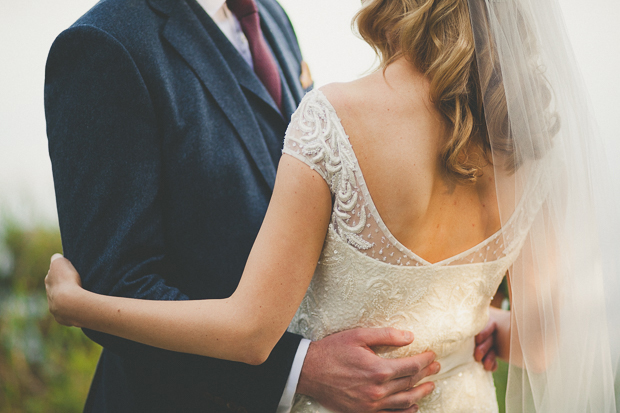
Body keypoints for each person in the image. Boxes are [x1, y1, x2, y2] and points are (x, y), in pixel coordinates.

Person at [46, 0, 620, 411]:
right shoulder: (529, 140)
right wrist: (476, 322)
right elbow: (543, 345)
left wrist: (80, 306)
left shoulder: (335, 111)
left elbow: (249, 329)